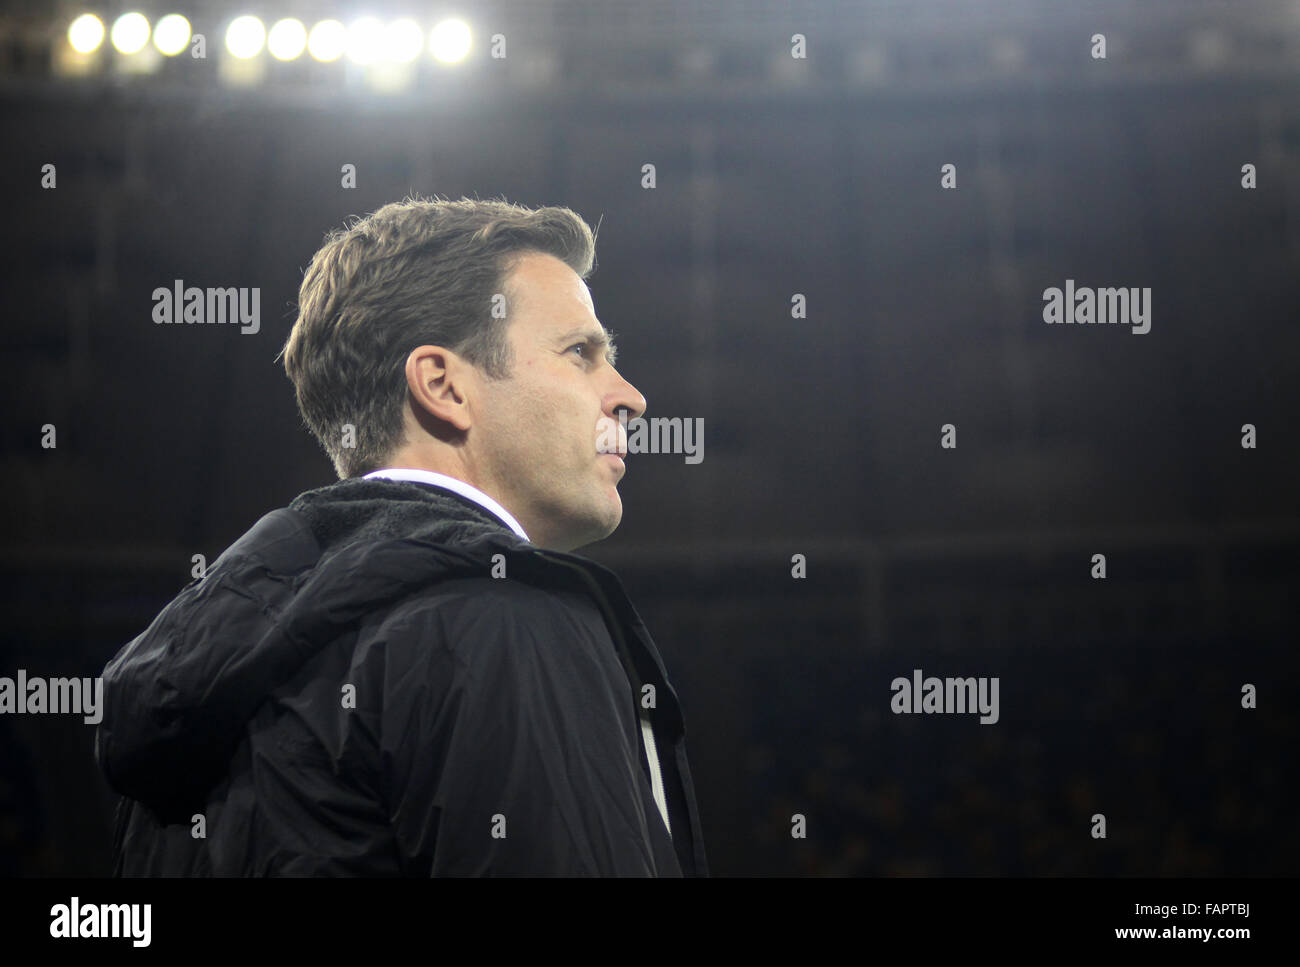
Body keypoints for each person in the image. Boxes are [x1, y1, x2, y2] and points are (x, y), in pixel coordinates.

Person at [94, 196, 708, 876]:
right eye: (581, 352)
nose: (628, 394)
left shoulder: (198, 676)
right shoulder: (504, 619)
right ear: (443, 386)